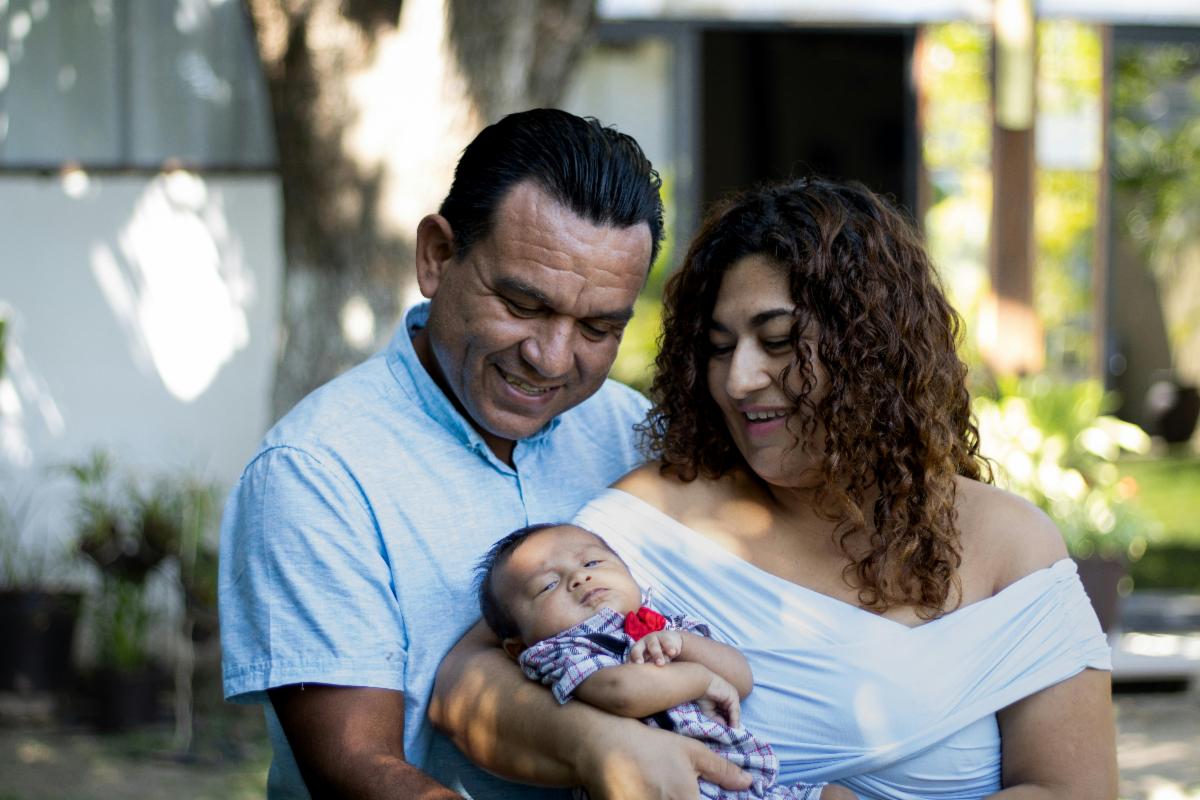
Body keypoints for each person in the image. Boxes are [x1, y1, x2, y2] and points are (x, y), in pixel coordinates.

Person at [434, 178, 1119, 798]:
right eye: (721, 346)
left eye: (781, 339)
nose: (739, 380)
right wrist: (601, 743)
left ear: (873, 351)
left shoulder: (1009, 544)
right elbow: (469, 680)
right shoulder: (659, 518)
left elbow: (1077, 790)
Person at [219, 109, 751, 799]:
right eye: (523, 304)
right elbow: (355, 770)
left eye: (597, 326)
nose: (551, 358)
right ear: (437, 257)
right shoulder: (317, 472)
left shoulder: (630, 433)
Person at [476, 522, 854, 800]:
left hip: (745, 783)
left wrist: (684, 644)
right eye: (547, 585)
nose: (580, 578)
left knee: (837, 796)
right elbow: (624, 692)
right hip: (663, 786)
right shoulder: (561, 651)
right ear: (517, 647)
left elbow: (740, 679)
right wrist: (700, 679)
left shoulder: (665, 625)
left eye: (592, 561)